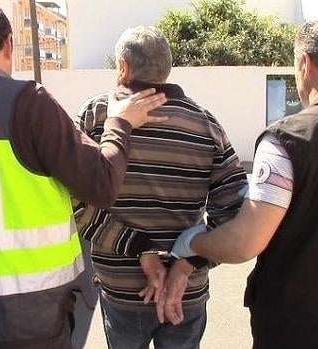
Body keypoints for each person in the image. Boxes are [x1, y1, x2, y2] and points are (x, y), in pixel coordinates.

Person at [0, 1, 167, 348]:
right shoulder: (26, 104)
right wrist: (120, 123)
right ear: (10, 44)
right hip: (30, 317)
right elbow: (101, 183)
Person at [171, 17, 318, 349]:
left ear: (305, 63)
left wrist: (192, 243)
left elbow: (245, 242)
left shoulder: (288, 139)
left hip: (303, 328)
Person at [73, 26, 248, 349]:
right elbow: (236, 213)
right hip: (188, 291)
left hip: (122, 290)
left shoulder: (96, 117)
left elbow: (73, 203)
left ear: (123, 68)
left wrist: (139, 248)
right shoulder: (204, 123)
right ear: (166, 71)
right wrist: (186, 265)